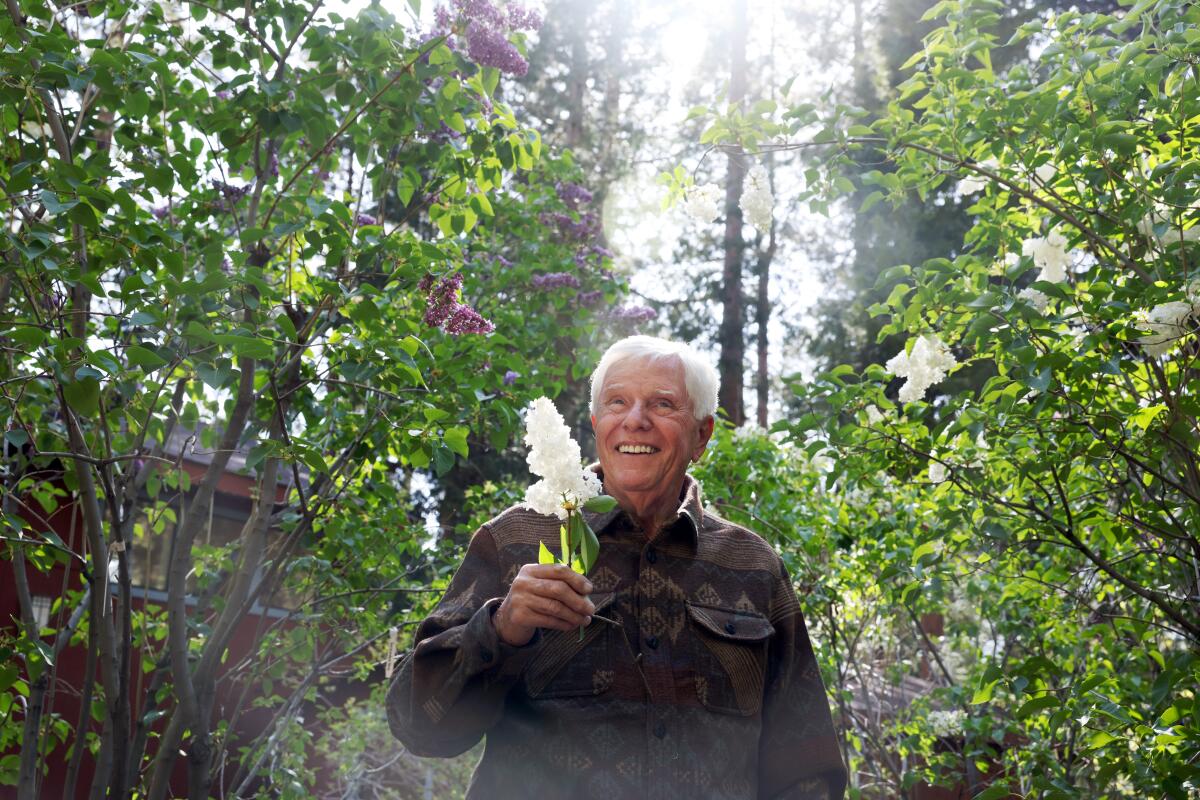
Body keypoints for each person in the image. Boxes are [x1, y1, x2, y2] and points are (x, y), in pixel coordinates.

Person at [387, 335, 846, 799]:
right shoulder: (512, 541)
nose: (635, 421)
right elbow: (418, 725)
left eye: (662, 404)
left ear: (702, 435)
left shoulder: (754, 566)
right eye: (617, 402)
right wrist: (500, 629)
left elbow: (805, 765)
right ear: (594, 423)